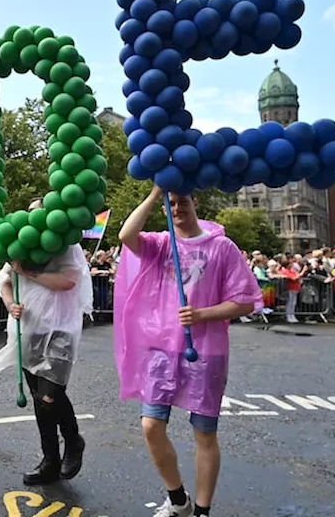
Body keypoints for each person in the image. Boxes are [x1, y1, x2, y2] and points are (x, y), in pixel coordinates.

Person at [116, 187, 260, 517]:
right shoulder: (160, 244)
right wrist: (155, 194)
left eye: (182, 201)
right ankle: (178, 499)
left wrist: (202, 314)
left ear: (195, 202)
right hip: (161, 349)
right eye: (172, 203)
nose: (177, 208)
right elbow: (127, 234)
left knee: (205, 433)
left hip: (206, 351)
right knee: (151, 426)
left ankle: (203, 511)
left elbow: (245, 301)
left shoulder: (222, 247)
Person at [0, 212, 93, 485]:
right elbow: (5, 281)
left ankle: (73, 440)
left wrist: (28, 271)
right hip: (28, 330)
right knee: (39, 397)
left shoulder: (66, 244)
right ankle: (50, 460)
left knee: (50, 396)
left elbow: (68, 281)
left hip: (60, 330)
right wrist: (11, 303)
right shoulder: (19, 244)